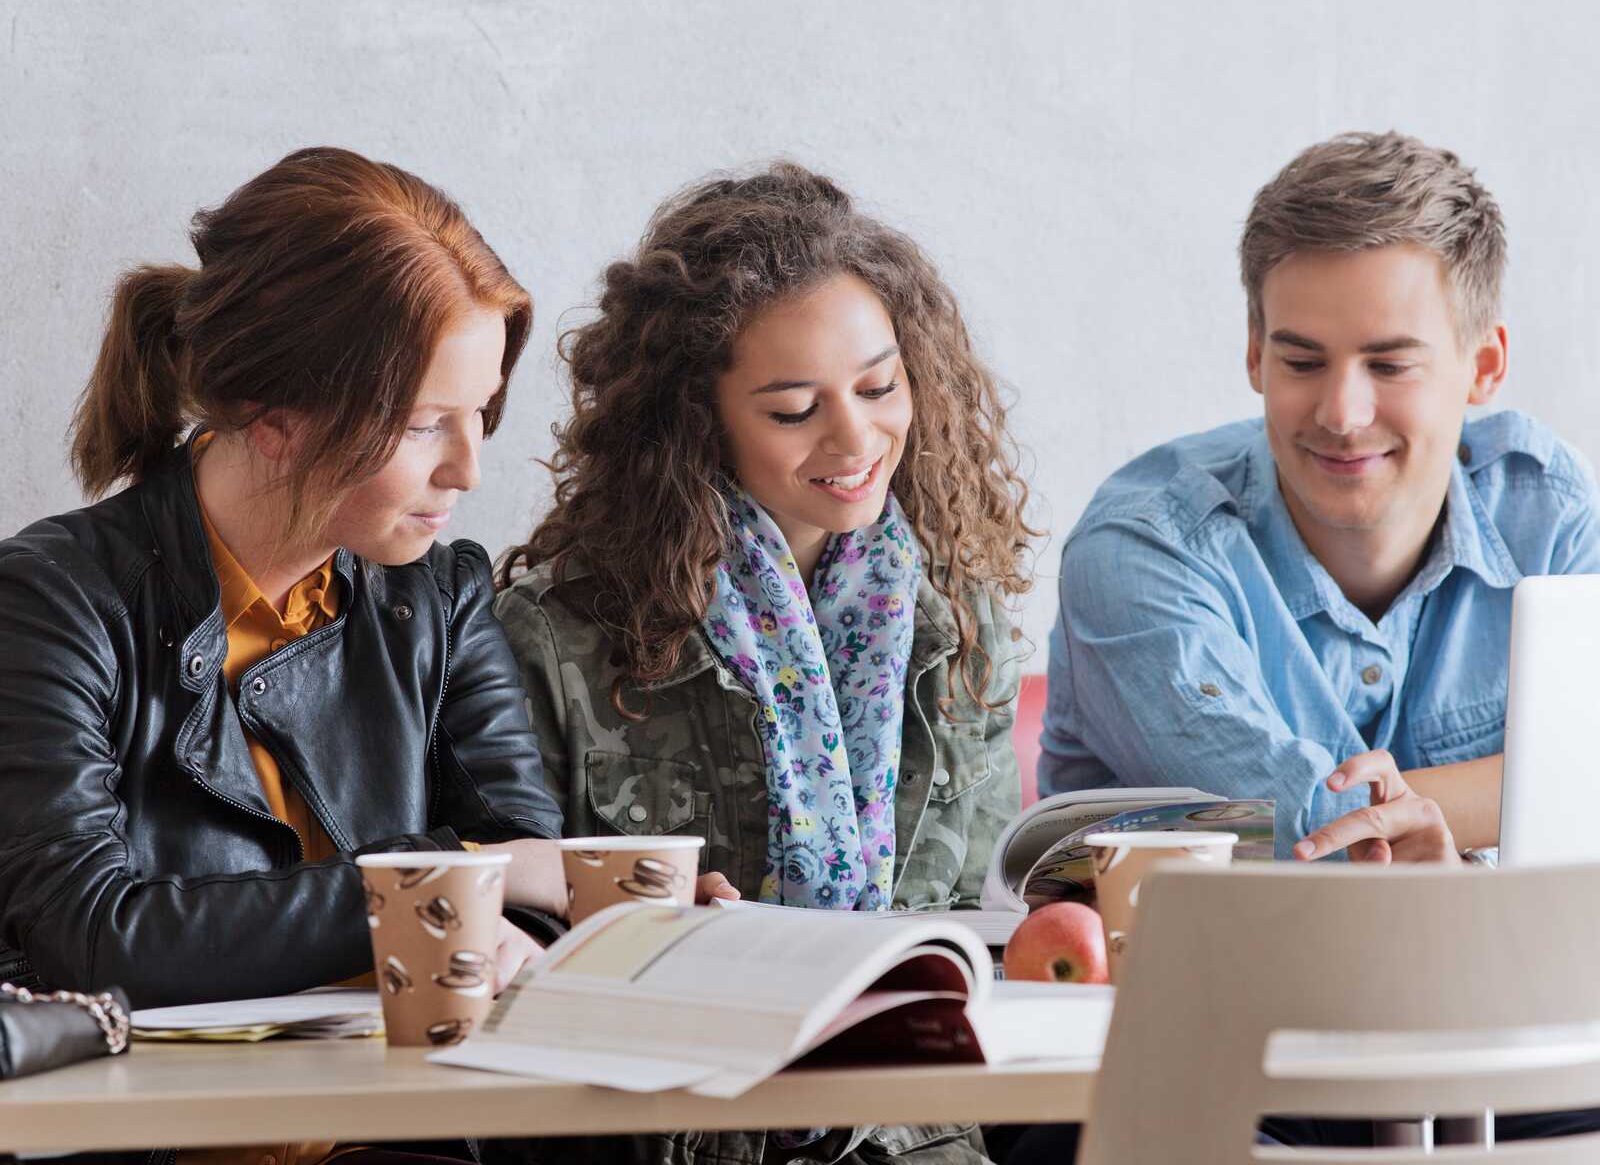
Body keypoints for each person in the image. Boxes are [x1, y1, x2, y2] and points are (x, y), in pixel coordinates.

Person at [1028, 130, 1600, 1154]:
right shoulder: (1141, 546)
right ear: (1252, 353)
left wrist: (1439, 815)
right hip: (1190, 1061)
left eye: (1389, 364)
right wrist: (1485, 804)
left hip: (1492, 1040)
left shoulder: (1543, 510)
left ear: (1482, 366)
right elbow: (1321, 836)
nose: (1342, 412)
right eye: (1301, 360)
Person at [493, 162, 1033, 1165]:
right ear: (696, 421)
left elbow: (975, 930)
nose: (855, 436)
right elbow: (513, 960)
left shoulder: (956, 625)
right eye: (793, 410)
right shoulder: (554, 640)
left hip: (914, 1144)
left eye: (880, 386)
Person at [0, 147, 571, 1029]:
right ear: (275, 419)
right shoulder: (50, 605)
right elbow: (86, 942)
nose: (470, 470)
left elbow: (535, 875)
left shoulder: (442, 601)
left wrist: (534, 907)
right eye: (425, 425)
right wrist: (432, 878)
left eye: (482, 413)